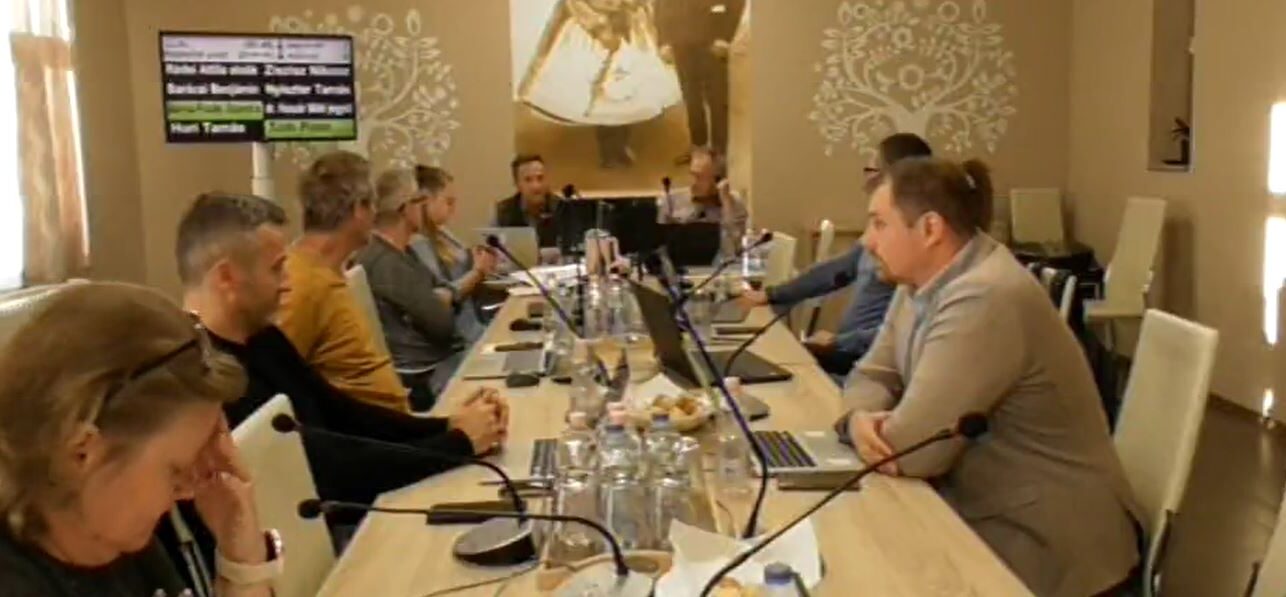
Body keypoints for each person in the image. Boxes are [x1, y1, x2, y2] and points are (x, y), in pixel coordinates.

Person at [837, 157, 1141, 596]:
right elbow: (870, 374)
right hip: (979, 513)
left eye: (879, 223)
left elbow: (914, 451)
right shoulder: (917, 282)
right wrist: (857, 419)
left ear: (930, 229)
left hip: (1046, 543)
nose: (867, 240)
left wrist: (872, 427)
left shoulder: (985, 295)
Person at [176, 191, 508, 506]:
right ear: (227, 278)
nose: (288, 282)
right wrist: (457, 443)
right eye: (276, 269)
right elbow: (325, 471)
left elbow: (344, 415)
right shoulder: (202, 376)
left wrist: (447, 426)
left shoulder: (262, 337)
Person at [0, 281, 275, 596]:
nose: (188, 491)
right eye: (175, 471)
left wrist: (242, 559)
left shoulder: (110, 532)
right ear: (82, 452)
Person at [738, 133, 933, 380]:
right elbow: (833, 272)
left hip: (858, 362)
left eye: (871, 170)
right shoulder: (881, 240)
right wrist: (772, 294)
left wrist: (840, 342)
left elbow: (903, 333)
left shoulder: (912, 246)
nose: (864, 181)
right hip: (846, 356)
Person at [276, 150, 411, 412]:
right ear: (359, 209)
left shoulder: (329, 273)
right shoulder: (303, 283)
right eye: (372, 205)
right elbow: (277, 377)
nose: (375, 215)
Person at [356, 169, 468, 410]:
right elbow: (442, 324)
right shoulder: (386, 262)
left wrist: (439, 298)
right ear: (406, 208)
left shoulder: (403, 251)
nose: (424, 207)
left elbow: (440, 291)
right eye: (420, 200)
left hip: (433, 364)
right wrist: (440, 299)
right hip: (425, 378)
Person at [410, 165, 499, 344]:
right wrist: (477, 272)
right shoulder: (418, 243)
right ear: (426, 201)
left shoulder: (442, 233)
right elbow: (442, 296)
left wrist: (477, 259)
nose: (453, 209)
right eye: (448, 202)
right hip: (461, 340)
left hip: (475, 325)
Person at [655, 0, 745, 162]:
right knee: (691, 98)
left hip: (713, 41)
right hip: (681, 42)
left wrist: (725, 37)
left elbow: (736, 4)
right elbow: (661, 6)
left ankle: (720, 150)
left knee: (717, 98)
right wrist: (663, 40)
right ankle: (698, 146)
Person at [656, 146, 748, 258]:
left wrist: (726, 203)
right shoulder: (671, 199)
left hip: (722, 263)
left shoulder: (732, 200)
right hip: (682, 263)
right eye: (695, 175)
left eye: (704, 176)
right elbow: (660, 244)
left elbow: (737, 244)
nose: (698, 181)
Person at [495, 154, 564, 249]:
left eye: (540, 178)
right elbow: (492, 249)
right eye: (528, 180)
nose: (536, 186)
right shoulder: (503, 212)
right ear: (517, 184)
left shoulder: (562, 208)